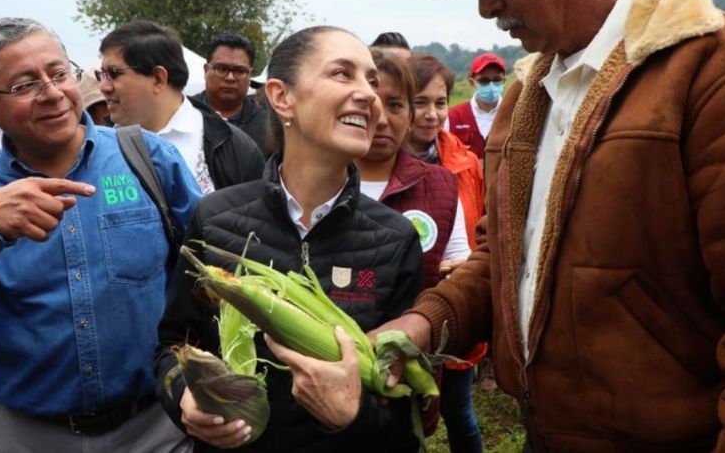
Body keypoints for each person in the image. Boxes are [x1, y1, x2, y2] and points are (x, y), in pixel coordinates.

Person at [378, 0, 725, 451]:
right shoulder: (528, 96)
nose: (486, 6)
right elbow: (503, 259)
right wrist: (425, 324)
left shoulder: (724, 77)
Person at [0, 17, 203, 453]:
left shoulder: (146, 158)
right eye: (23, 85)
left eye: (59, 74)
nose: (52, 93)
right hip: (29, 435)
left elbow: (207, 267)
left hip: (155, 427)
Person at [156, 26, 424, 452]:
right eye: (342, 74)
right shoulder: (215, 220)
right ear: (282, 97)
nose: (369, 96)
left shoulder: (394, 238)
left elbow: (410, 407)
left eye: (371, 81)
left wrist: (351, 417)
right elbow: (172, 346)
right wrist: (185, 401)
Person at [356, 51, 481, 452]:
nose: (382, 117)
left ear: (408, 114)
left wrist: (458, 274)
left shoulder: (441, 186)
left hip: (409, 376)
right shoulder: (320, 183)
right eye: (371, 103)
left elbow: (462, 265)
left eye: (395, 105)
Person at [99, 22, 264, 194]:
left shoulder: (233, 148)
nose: (104, 87)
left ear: (158, 79)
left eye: (114, 73)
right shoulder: (98, 147)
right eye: (102, 75)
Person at [405, 54, 484, 245]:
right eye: (420, 102)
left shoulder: (467, 164)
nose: (432, 115)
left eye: (440, 103)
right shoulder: (375, 163)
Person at [192, 32, 270, 153]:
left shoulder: (267, 126)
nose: (230, 77)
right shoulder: (185, 113)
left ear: (250, 75)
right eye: (222, 69)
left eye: (239, 71)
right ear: (206, 70)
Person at [447, 52, 506, 158]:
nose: (491, 86)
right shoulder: (453, 116)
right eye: (484, 81)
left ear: (504, 81)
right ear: (472, 82)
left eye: (497, 80)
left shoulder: (514, 115)